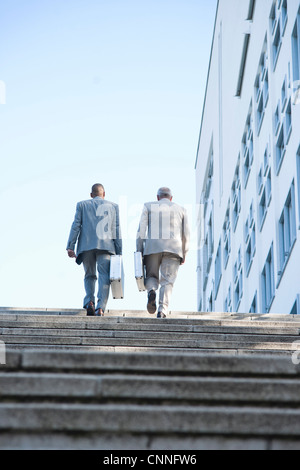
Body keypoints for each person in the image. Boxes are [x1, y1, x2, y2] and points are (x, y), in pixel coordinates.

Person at [66, 183, 122, 316]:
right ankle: (100, 307)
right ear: (104, 194)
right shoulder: (113, 207)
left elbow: (76, 226)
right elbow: (116, 230)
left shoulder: (82, 205)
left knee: (89, 275)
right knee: (104, 276)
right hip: (106, 247)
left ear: (91, 195)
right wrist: (119, 252)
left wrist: (70, 246)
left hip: (86, 247)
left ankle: (89, 301)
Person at [136, 187, 190, 318]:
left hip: (152, 248)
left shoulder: (148, 206)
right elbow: (186, 235)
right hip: (173, 249)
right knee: (167, 280)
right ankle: (162, 310)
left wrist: (139, 251)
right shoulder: (181, 210)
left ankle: (152, 290)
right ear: (171, 198)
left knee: (151, 277)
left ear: (157, 197)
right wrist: (184, 253)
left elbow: (141, 231)